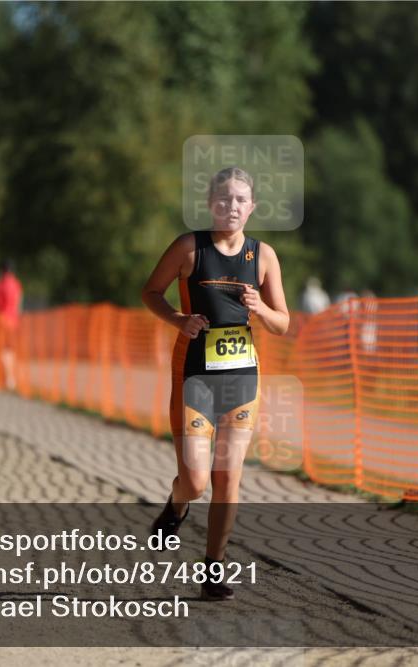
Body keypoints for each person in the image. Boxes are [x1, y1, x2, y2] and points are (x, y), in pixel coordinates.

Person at [141, 166, 289, 601]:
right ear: (210, 203)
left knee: (228, 479)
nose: (232, 207)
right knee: (197, 480)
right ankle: (178, 503)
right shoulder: (190, 248)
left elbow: (283, 322)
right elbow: (150, 292)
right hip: (194, 376)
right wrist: (178, 320)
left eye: (241, 200)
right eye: (224, 199)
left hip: (242, 379)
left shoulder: (263, 256)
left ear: (253, 207)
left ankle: (213, 569)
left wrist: (261, 309)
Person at [0, 260, 23, 391]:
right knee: (10, 349)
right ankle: (10, 378)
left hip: (2, 320)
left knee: (2, 350)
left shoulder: (1, 284)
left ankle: (7, 378)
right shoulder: (17, 284)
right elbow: (19, 302)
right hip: (14, 320)